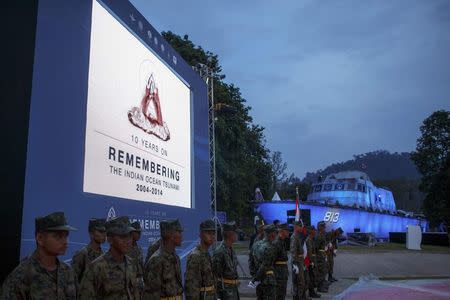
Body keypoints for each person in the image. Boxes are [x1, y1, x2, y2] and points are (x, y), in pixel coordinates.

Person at [1, 212, 77, 299]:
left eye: (66, 236)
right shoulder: (22, 275)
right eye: (58, 236)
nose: (65, 242)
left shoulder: (68, 272)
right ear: (40, 238)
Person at [79, 216, 141, 299]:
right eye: (122, 237)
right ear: (110, 239)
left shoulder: (131, 264)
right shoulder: (96, 268)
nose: (128, 241)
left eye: (130, 236)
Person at [143, 219, 183, 299]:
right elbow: (151, 295)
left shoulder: (175, 257)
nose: (181, 236)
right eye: (179, 232)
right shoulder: (156, 260)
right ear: (171, 235)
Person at [184, 220, 217, 300]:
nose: (212, 236)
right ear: (201, 235)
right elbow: (191, 288)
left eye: (213, 233)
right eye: (208, 233)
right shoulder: (195, 256)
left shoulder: (206, 253)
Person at [71, 218, 106, 283]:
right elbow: (72, 280)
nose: (104, 235)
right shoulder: (82, 254)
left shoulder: (104, 255)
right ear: (91, 233)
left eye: (105, 232)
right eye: (101, 232)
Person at [212, 222, 240, 300]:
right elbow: (214, 276)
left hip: (233, 291)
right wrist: (217, 296)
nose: (237, 236)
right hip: (224, 293)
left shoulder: (230, 250)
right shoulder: (220, 252)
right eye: (236, 233)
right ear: (230, 235)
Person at [251, 224, 277, 300]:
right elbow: (264, 266)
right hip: (268, 281)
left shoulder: (256, 244)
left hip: (259, 281)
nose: (276, 235)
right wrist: (256, 278)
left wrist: (254, 277)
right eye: (275, 232)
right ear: (271, 234)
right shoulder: (270, 247)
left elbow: (251, 261)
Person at [291, 221, 308, 300]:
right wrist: (295, 264)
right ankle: (298, 297)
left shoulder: (298, 236)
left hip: (299, 261)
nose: (302, 228)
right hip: (297, 262)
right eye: (300, 226)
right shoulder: (294, 237)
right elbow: (293, 252)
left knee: (300, 282)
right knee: (299, 282)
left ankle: (299, 297)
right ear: (296, 227)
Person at [273, 223, 289, 300]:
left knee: (282, 294)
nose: (288, 232)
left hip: (282, 273)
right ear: (282, 231)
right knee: (278, 295)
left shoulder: (282, 242)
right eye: (287, 230)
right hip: (278, 274)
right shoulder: (277, 243)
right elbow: (271, 260)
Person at [129, 221, 145, 293]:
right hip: (130, 284)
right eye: (137, 232)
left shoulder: (139, 248)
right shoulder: (126, 248)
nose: (139, 234)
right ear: (132, 232)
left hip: (139, 284)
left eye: (140, 232)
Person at [306, 226, 321, 298]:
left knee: (313, 276)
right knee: (311, 277)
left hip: (313, 260)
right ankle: (311, 292)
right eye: (314, 230)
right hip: (310, 261)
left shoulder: (312, 239)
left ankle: (312, 291)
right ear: (311, 231)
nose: (315, 231)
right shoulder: (308, 240)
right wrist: (311, 262)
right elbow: (309, 252)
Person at [315, 221, 329, 293]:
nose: (324, 228)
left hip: (322, 255)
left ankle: (322, 285)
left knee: (323, 271)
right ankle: (319, 287)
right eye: (323, 227)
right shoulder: (318, 235)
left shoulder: (321, 234)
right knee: (320, 272)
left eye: (324, 227)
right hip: (319, 257)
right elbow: (316, 248)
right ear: (319, 227)